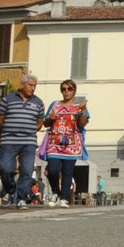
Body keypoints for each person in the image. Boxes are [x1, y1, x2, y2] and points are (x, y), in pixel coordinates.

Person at [0, 74, 46, 208]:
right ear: (22, 85)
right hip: (9, 140)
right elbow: (0, 119)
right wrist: (10, 129)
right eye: (30, 85)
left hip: (29, 142)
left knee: (27, 170)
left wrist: (28, 130)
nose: (33, 88)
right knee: (6, 169)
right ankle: (11, 189)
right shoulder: (8, 99)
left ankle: (21, 199)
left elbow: (40, 122)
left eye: (35, 86)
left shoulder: (38, 102)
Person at [42, 80, 89, 208]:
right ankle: (55, 192)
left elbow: (82, 124)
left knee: (67, 171)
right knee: (52, 170)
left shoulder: (79, 106)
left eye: (69, 88)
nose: (66, 91)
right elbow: (45, 123)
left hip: (72, 144)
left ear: (74, 90)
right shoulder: (54, 104)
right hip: (54, 142)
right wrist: (50, 119)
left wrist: (83, 111)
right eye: (64, 89)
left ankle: (65, 198)